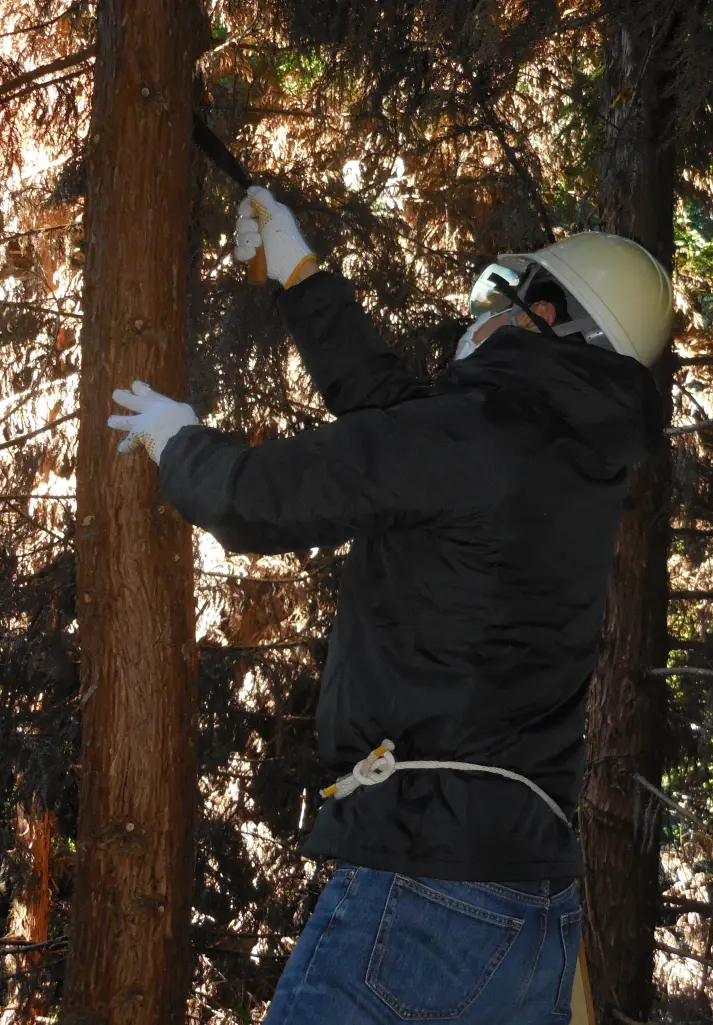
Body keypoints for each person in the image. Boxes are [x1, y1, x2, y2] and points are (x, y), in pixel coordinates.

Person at [108, 188, 673, 1024]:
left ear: (544, 314)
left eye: (499, 297)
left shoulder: (477, 436)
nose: (477, 318)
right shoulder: (562, 454)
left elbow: (261, 497)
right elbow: (391, 412)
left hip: (426, 896)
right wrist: (300, 274)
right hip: (531, 914)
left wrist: (178, 440)